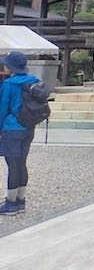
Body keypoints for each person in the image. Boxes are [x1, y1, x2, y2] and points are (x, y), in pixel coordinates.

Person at [0, 51, 38, 215]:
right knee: (21, 163)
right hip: (28, 128)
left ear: (11, 66)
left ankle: (11, 203)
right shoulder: (35, 81)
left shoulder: (9, 85)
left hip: (11, 128)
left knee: (13, 165)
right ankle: (21, 200)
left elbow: (3, 109)